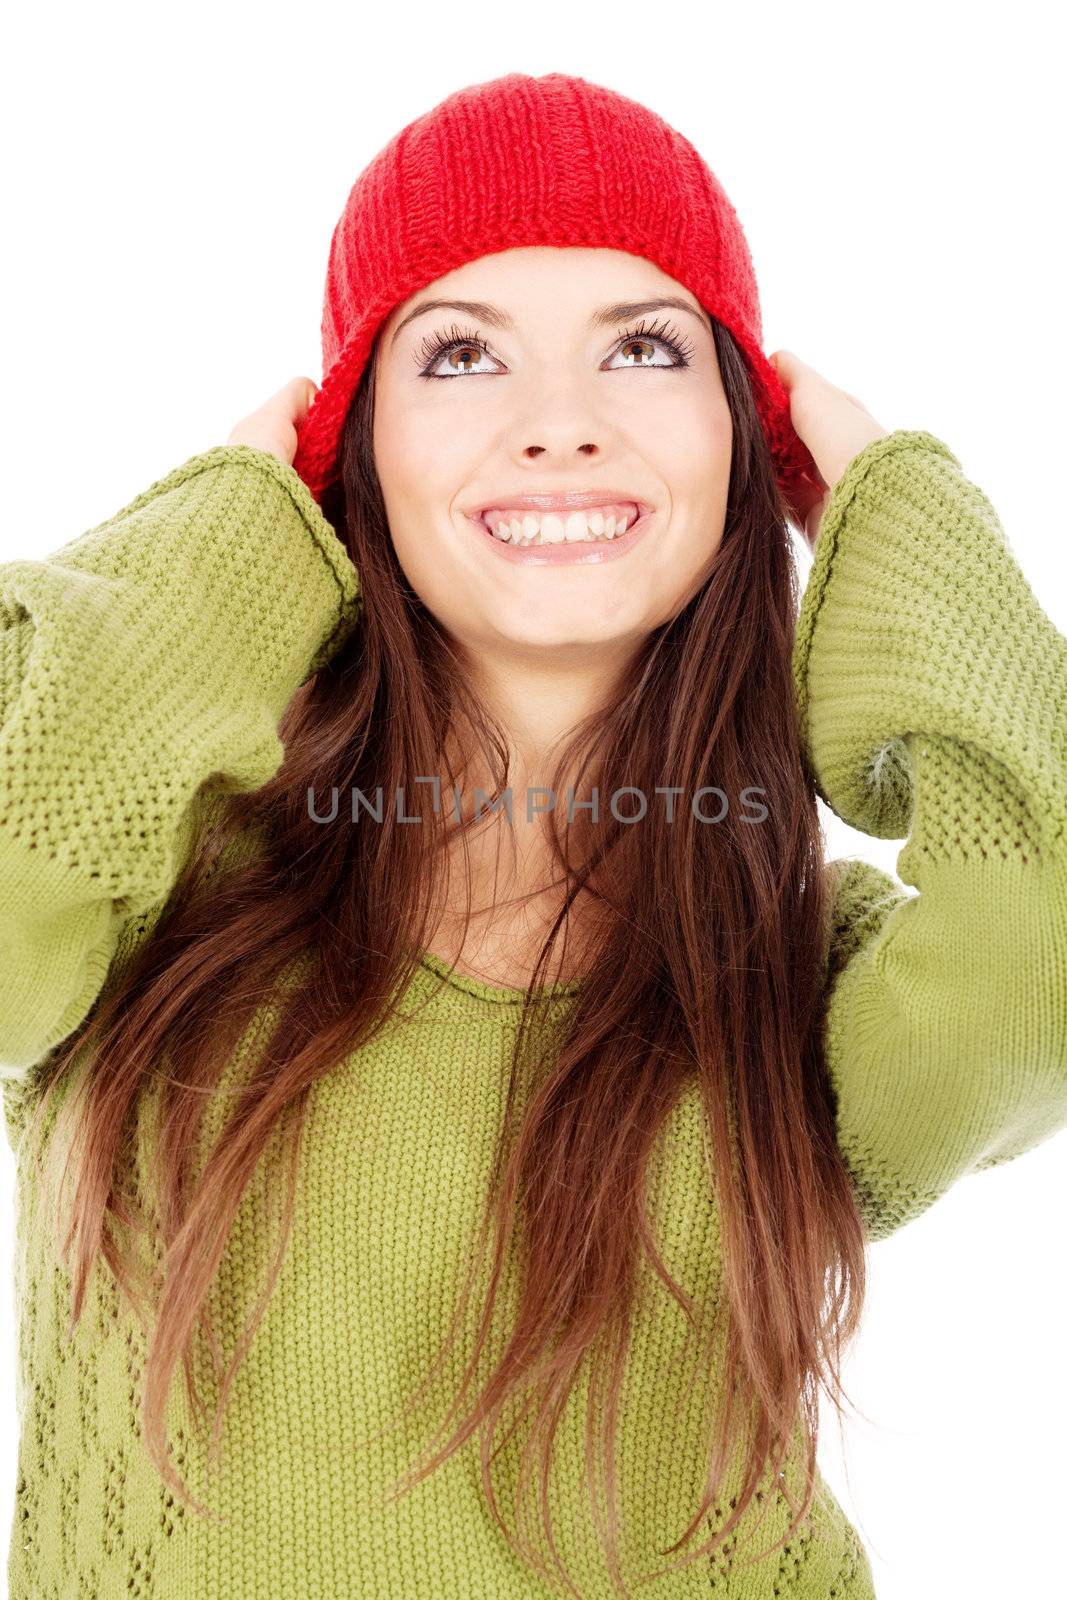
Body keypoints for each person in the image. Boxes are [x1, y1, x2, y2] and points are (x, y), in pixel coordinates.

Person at [1, 72, 1064, 1600]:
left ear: (744, 440)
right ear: (349, 444)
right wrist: (233, 530)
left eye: (644, 348)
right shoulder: (145, 879)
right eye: (457, 356)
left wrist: (901, 514)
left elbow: (1046, 960)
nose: (559, 426)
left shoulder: (803, 980)